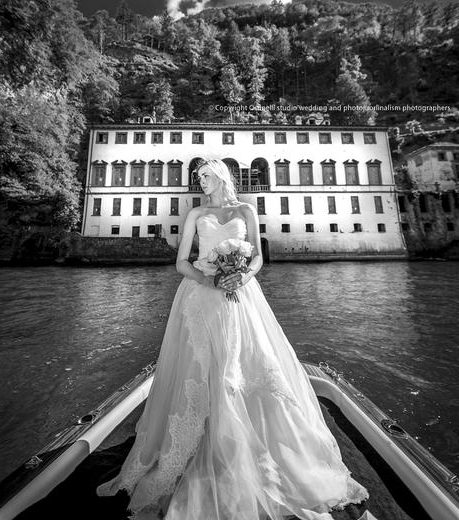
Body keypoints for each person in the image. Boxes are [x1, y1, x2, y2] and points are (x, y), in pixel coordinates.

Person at [97, 159, 369, 520]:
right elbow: (181, 262)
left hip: (241, 294)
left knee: (246, 364)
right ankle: (203, 445)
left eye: (206, 176)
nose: (201, 181)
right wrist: (210, 279)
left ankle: (252, 447)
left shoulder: (246, 210)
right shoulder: (196, 214)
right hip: (200, 295)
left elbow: (257, 257)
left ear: (222, 176)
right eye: (198, 177)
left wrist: (241, 277)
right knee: (201, 369)